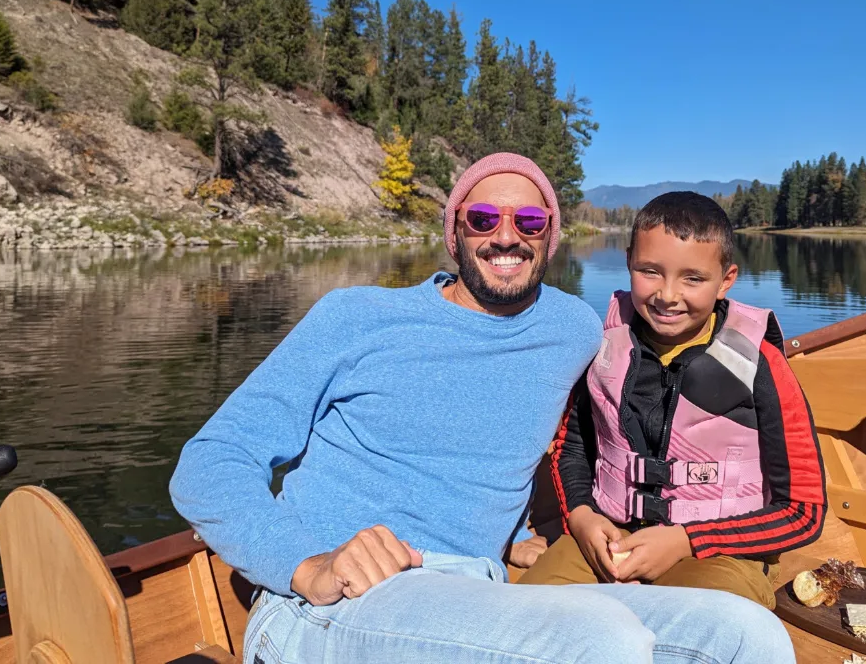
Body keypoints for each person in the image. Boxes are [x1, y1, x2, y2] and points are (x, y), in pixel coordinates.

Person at [170, 155, 795, 664]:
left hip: (478, 595)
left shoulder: (574, 328)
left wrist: (526, 529)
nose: (505, 235)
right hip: (336, 604)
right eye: (481, 218)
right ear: (454, 232)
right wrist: (306, 566)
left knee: (746, 635)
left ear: (550, 238)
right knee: (603, 641)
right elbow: (210, 462)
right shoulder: (355, 317)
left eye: (528, 219)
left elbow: (616, 392)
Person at [521, 191, 827, 610]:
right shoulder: (605, 344)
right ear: (628, 260)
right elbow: (572, 448)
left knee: (715, 621)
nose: (667, 295)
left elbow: (803, 511)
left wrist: (685, 540)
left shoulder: (761, 364)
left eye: (693, 278)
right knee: (524, 616)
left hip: (719, 551)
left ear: (727, 279)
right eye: (650, 271)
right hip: (609, 538)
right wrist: (581, 516)